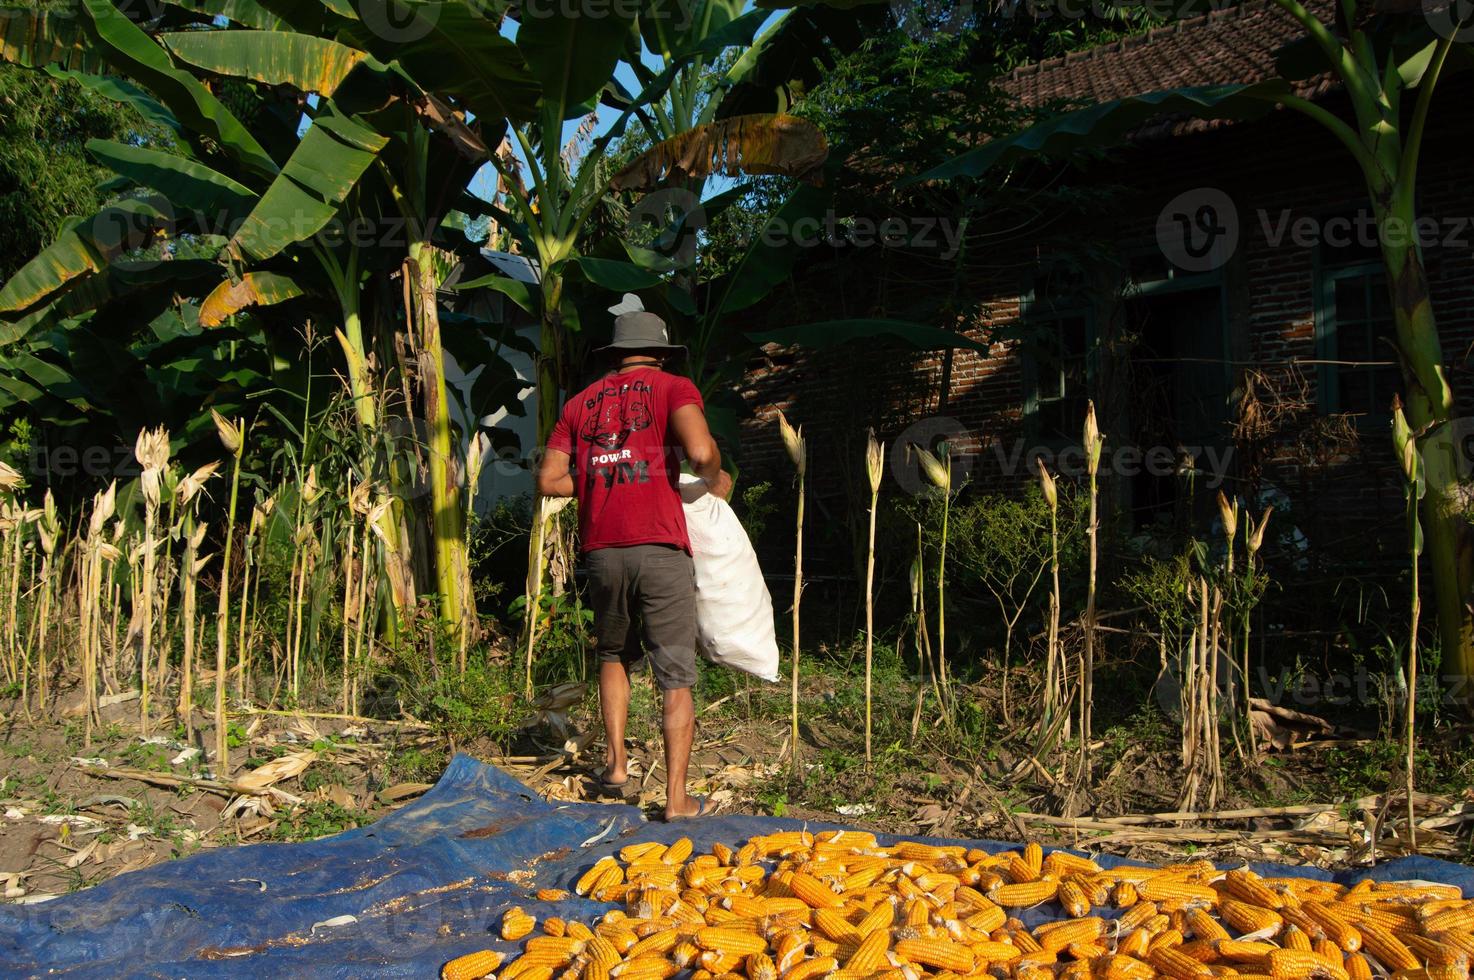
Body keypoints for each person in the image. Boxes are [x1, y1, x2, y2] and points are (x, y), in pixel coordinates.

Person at [536, 297, 732, 821]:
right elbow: (701, 452)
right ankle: (675, 800)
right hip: (659, 549)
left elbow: (549, 481)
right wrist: (713, 477)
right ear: (660, 353)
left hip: (603, 552)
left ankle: (616, 766)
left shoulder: (579, 404)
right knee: (674, 670)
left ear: (618, 354)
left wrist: (607, 468)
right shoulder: (672, 388)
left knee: (613, 653)